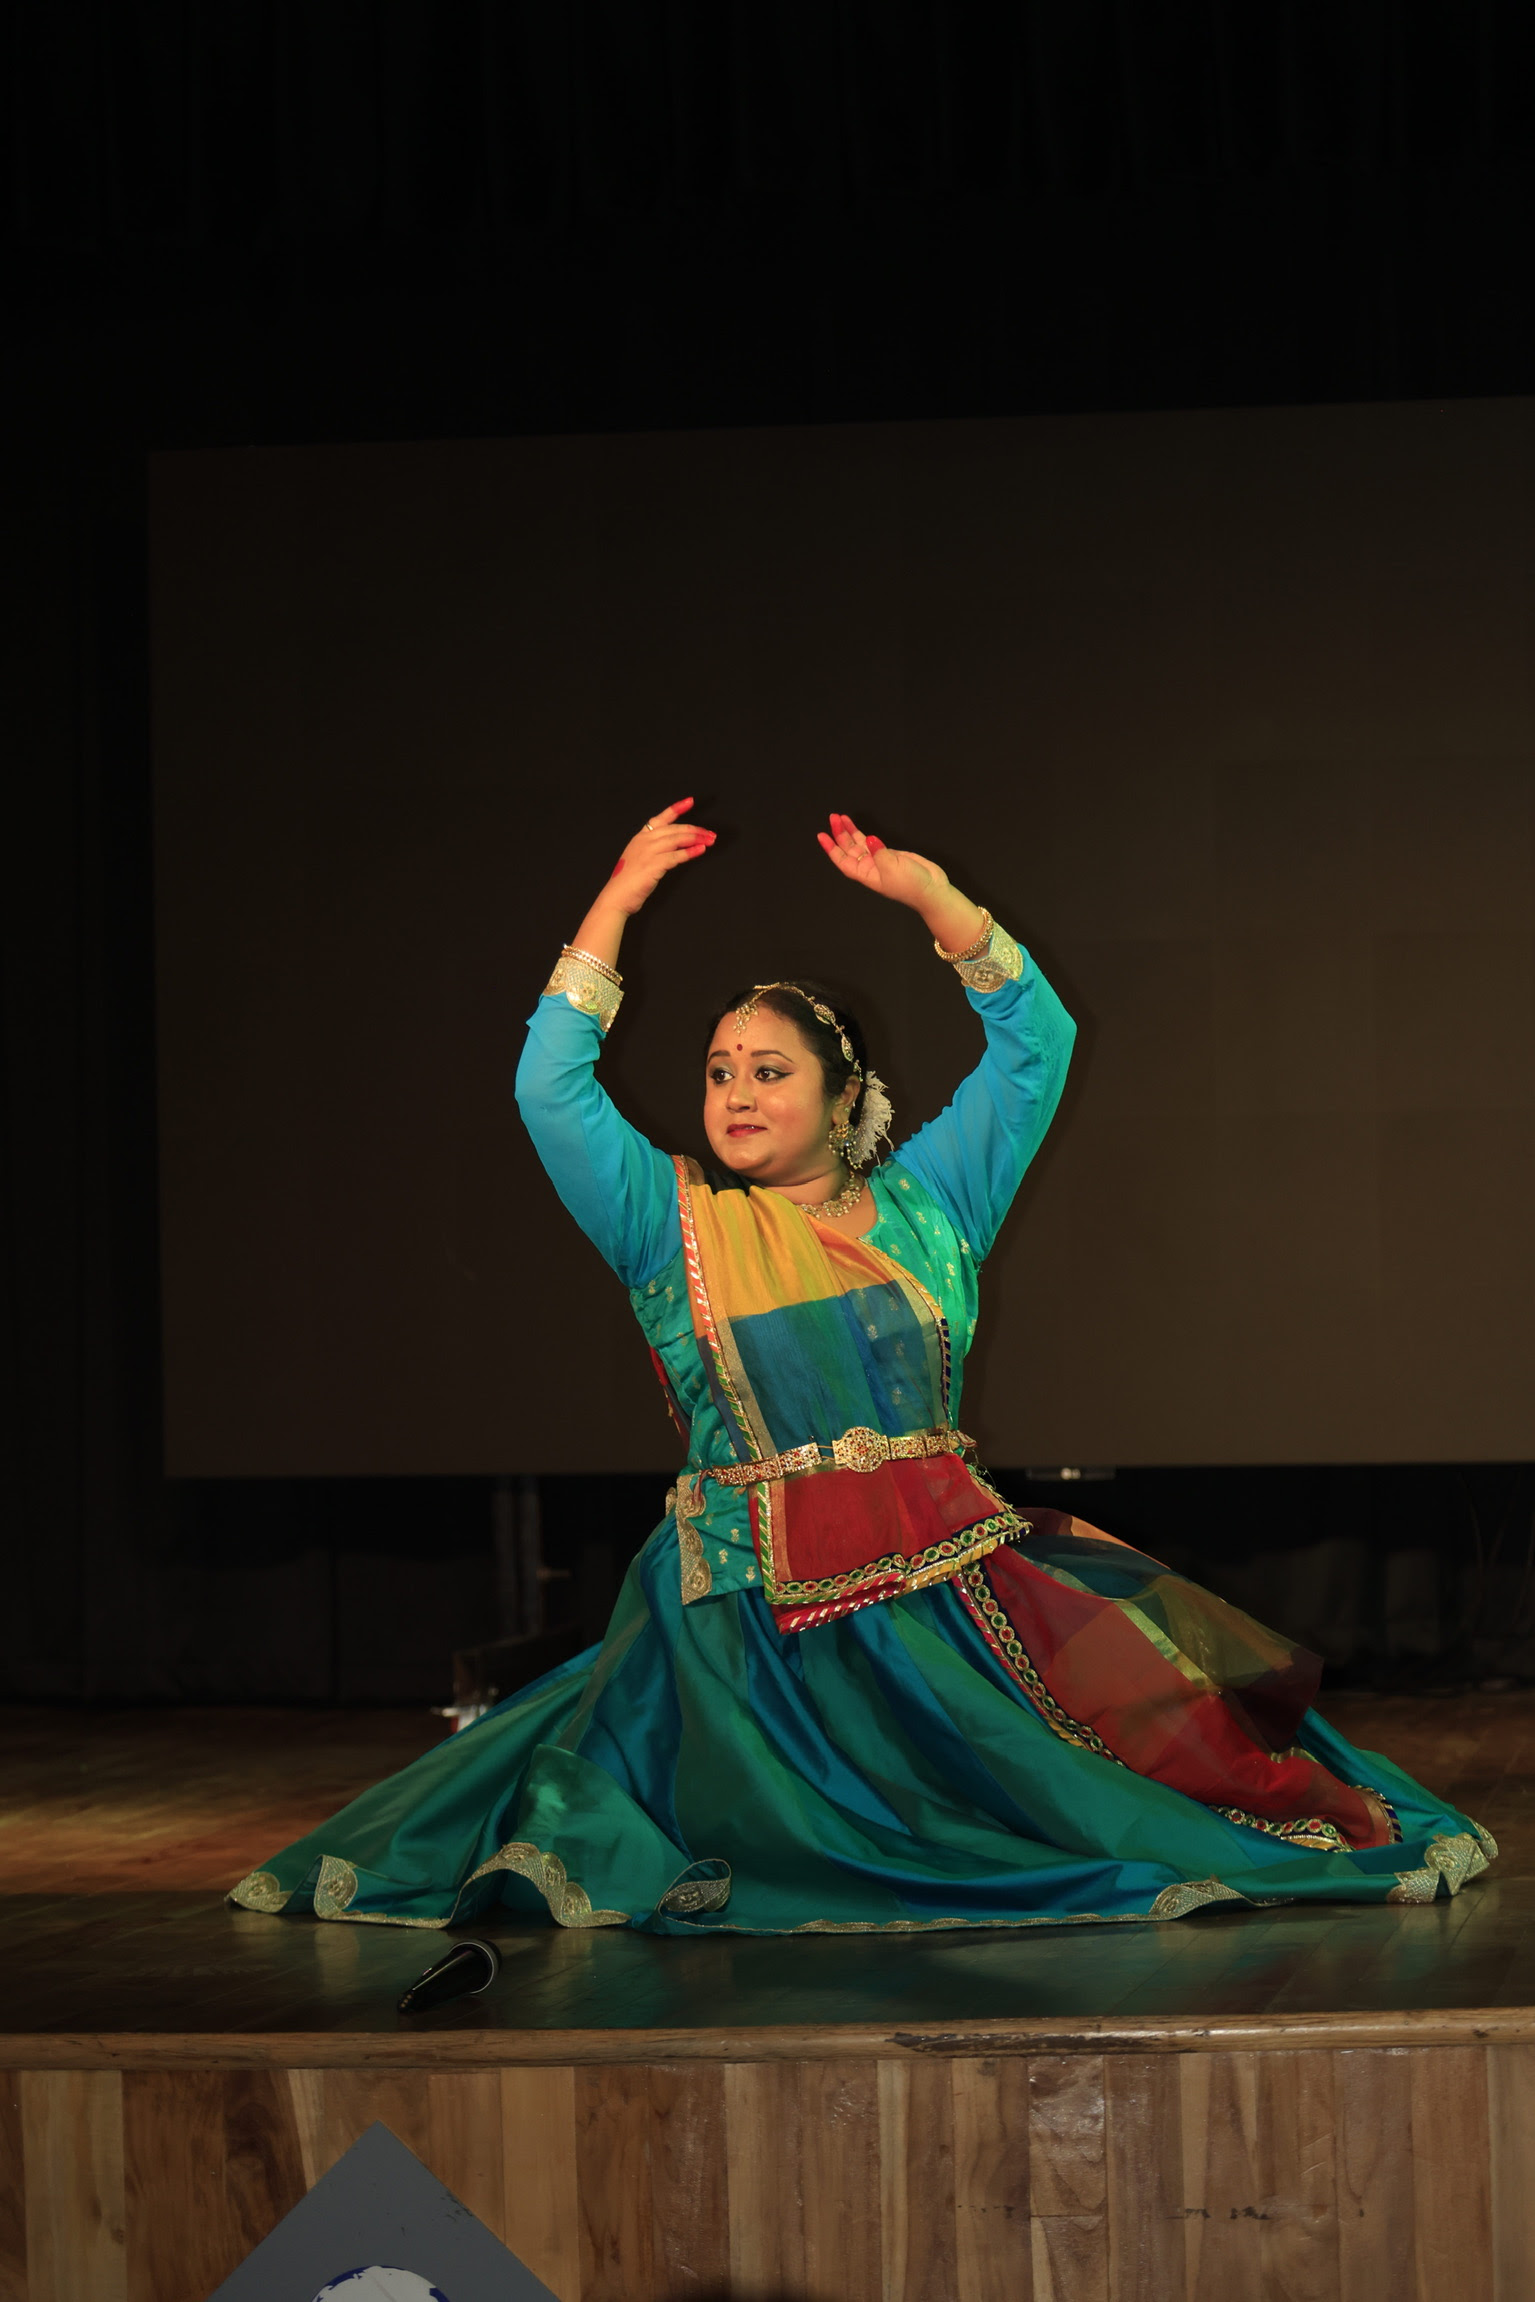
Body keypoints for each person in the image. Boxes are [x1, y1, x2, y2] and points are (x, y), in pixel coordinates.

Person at [232, 803, 1493, 1935]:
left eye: (768, 1071)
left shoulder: (931, 1205)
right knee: (798, 1831)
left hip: (944, 1599)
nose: (734, 1093)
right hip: (744, 1628)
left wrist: (933, 901)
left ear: (843, 1100)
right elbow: (549, 1092)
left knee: (1103, 1797)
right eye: (718, 1072)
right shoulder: (670, 1226)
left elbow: (1034, 1045)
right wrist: (614, 906)